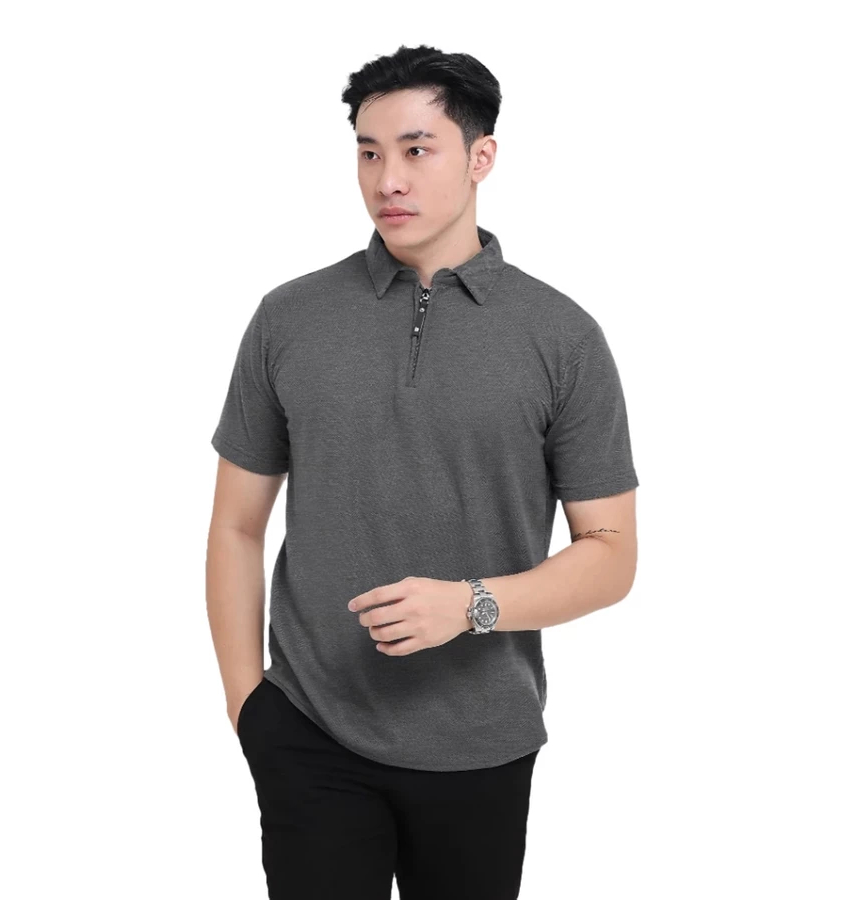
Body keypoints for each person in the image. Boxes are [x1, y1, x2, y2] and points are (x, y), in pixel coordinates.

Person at [206, 43, 639, 900]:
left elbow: (611, 552)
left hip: (483, 741)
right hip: (308, 731)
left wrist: (470, 604)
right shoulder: (289, 318)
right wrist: (247, 704)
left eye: (416, 149)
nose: (387, 180)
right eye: (368, 153)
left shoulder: (563, 338)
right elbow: (235, 524)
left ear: (481, 157)